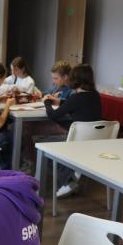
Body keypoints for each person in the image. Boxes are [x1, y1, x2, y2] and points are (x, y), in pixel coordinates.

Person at [43, 64, 102, 196]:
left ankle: (68, 181)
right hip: (94, 140)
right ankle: (71, 174)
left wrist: (47, 102)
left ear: (74, 79)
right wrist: (59, 102)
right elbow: (75, 105)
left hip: (77, 141)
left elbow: (52, 115)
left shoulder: (76, 98)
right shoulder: (95, 95)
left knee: (42, 145)